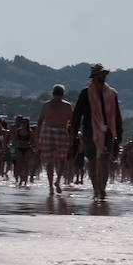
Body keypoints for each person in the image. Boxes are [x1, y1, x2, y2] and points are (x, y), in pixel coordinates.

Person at [70, 63, 122, 202]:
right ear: (94, 76)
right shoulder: (85, 93)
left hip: (108, 132)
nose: (104, 76)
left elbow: (117, 116)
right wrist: (73, 132)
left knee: (104, 161)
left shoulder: (112, 93)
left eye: (105, 74)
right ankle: (95, 188)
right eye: (101, 74)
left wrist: (119, 135)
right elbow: (77, 114)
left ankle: (102, 189)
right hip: (89, 131)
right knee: (93, 162)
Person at [36, 85, 72, 194]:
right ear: (63, 94)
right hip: (61, 131)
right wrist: (72, 137)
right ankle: (58, 180)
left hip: (48, 131)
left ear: (53, 93)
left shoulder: (46, 105)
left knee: (49, 161)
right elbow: (73, 122)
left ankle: (51, 185)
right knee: (62, 160)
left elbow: (40, 120)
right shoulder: (67, 106)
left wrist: (38, 136)